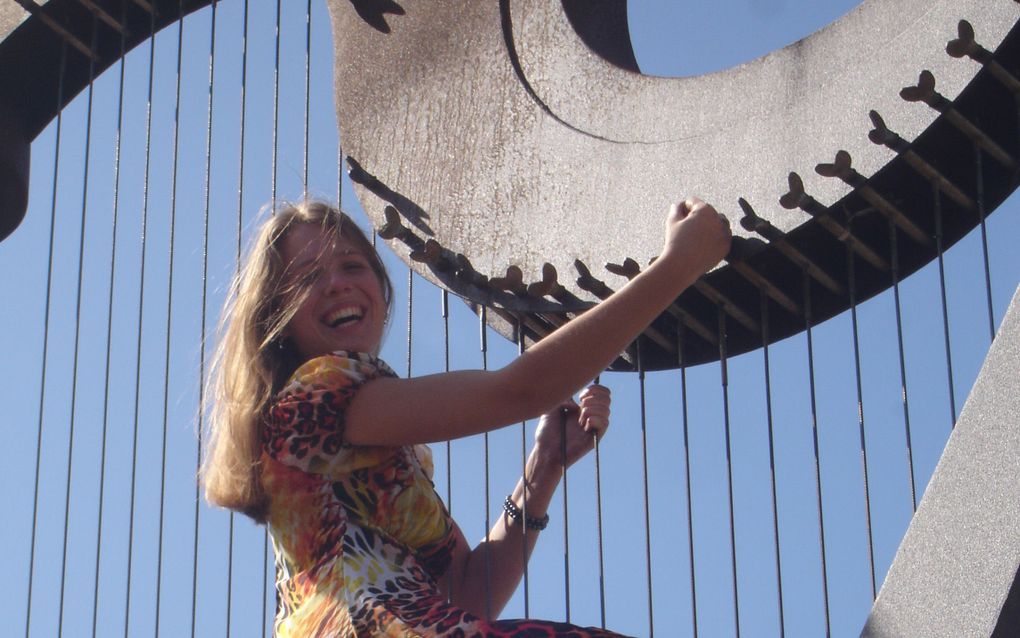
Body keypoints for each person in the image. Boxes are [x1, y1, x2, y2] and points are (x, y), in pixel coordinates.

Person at [201, 198, 731, 637]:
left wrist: (544, 466)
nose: (337, 283)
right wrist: (679, 264)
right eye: (308, 277)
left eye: (352, 265)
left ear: (380, 292)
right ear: (277, 318)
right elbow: (519, 392)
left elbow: (467, 590)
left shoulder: (378, 455)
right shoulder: (314, 397)